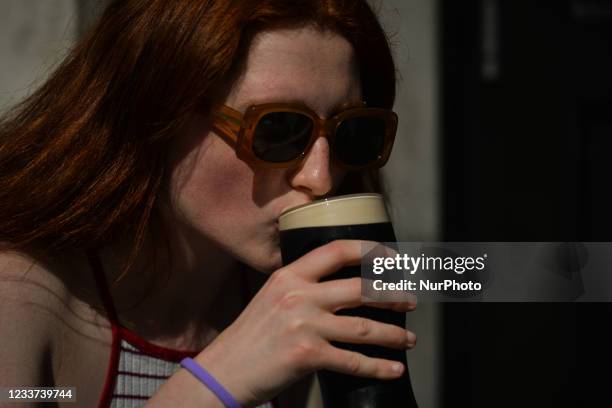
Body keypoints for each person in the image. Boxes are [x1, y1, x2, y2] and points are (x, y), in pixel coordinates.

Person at [0, 1, 417, 407]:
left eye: (351, 132)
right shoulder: (19, 299)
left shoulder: (280, 299)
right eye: (279, 129)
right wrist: (214, 384)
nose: (320, 178)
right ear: (156, 114)